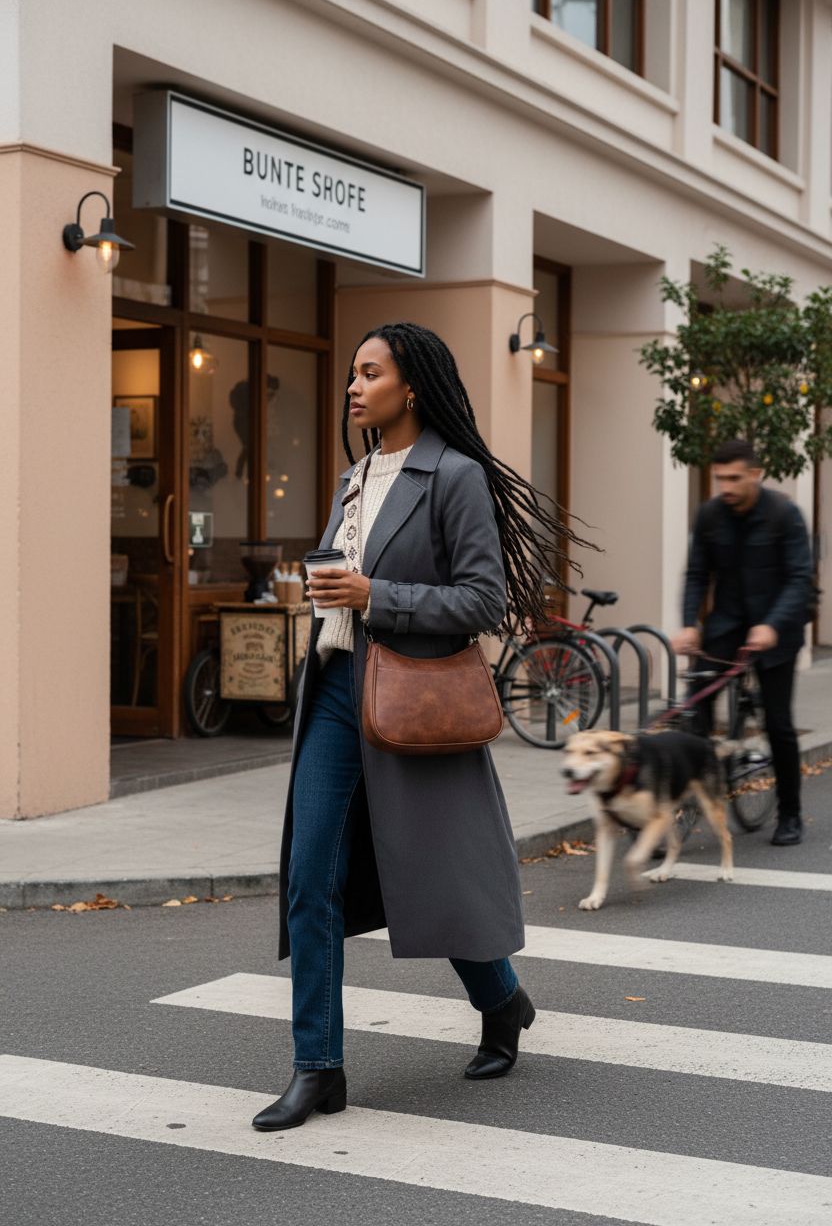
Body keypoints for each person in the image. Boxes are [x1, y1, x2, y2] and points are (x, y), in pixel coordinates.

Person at [252, 321, 591, 1132]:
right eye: (352, 374)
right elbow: (351, 572)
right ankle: (318, 1068)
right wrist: (327, 585)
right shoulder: (355, 476)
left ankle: (502, 1000)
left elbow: (482, 602)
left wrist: (377, 597)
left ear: (412, 386)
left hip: (413, 694)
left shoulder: (455, 476)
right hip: (337, 689)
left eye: (371, 372)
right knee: (310, 879)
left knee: (434, 876)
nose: (354, 387)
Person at [672, 439, 813, 847]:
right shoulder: (712, 515)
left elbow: (799, 578)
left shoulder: (784, 515)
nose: (726, 487)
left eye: (734, 478)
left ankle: (790, 813)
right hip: (726, 627)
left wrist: (772, 625)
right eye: (720, 479)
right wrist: (688, 624)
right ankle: (687, 796)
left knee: (779, 725)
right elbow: (697, 574)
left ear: (756, 474)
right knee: (696, 707)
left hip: (777, 632)